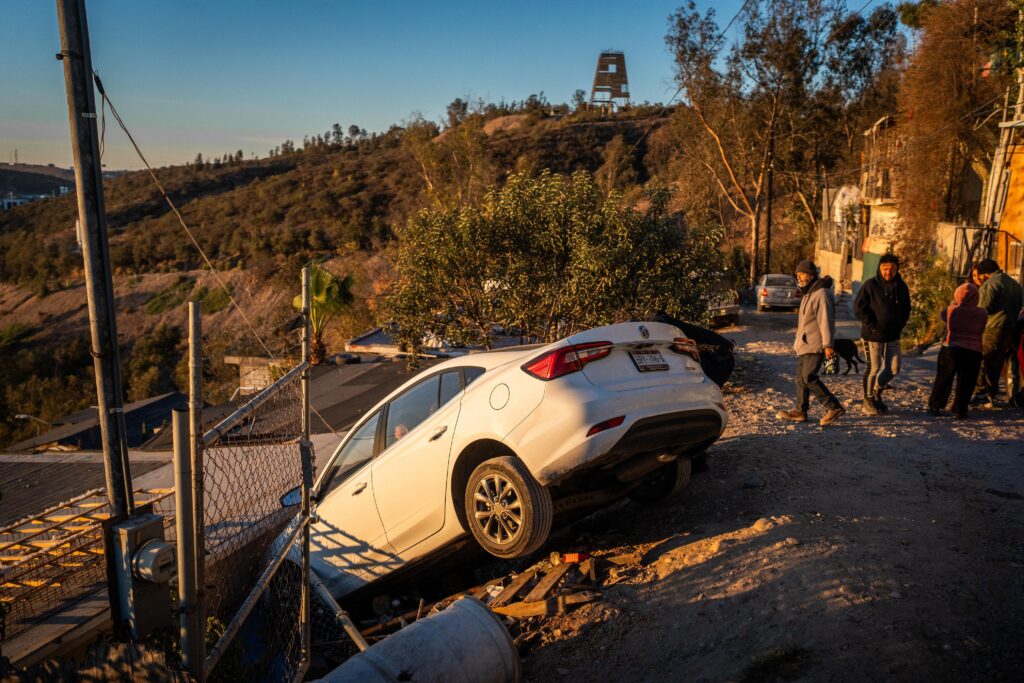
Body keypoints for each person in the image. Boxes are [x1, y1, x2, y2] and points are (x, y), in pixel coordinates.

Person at [777, 259, 845, 426]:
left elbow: (825, 320)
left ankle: (834, 407)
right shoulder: (809, 292)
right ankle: (800, 411)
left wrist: (828, 345)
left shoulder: (821, 293)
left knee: (809, 377)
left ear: (810, 275)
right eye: (797, 274)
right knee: (801, 379)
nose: (798, 277)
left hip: (816, 344)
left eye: (801, 274)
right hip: (804, 344)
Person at [853, 253, 911, 415]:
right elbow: (859, 307)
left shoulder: (901, 286)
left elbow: (906, 309)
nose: (888, 272)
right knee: (874, 367)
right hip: (873, 335)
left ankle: (877, 389)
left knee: (894, 368)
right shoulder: (870, 285)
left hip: (893, 335)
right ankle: (868, 399)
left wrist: (899, 326)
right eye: (885, 268)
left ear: (897, 269)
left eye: (892, 269)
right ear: (879, 269)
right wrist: (872, 325)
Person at [928, 283, 987, 419]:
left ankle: (936, 405)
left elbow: (943, 316)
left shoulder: (950, 310)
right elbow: (982, 327)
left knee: (944, 379)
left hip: (951, 348)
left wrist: (956, 302)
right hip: (973, 350)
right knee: (967, 381)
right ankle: (960, 409)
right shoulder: (982, 313)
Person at [974, 258, 1023, 406]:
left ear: (985, 274)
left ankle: (981, 393)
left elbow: (983, 308)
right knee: (995, 363)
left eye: (979, 275)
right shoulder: (1014, 284)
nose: (979, 279)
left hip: (992, 328)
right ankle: (990, 394)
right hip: (1009, 330)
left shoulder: (991, 283)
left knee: (979, 359)